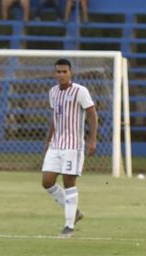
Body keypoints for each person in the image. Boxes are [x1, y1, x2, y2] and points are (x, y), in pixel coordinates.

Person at [41, 59, 98, 238]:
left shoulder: (80, 91)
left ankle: (69, 225)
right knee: (47, 181)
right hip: (56, 144)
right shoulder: (53, 92)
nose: (62, 75)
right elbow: (55, 118)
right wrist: (48, 139)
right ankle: (74, 212)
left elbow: (92, 115)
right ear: (54, 73)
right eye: (58, 72)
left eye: (65, 72)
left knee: (68, 183)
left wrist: (92, 140)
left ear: (70, 73)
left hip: (73, 145)